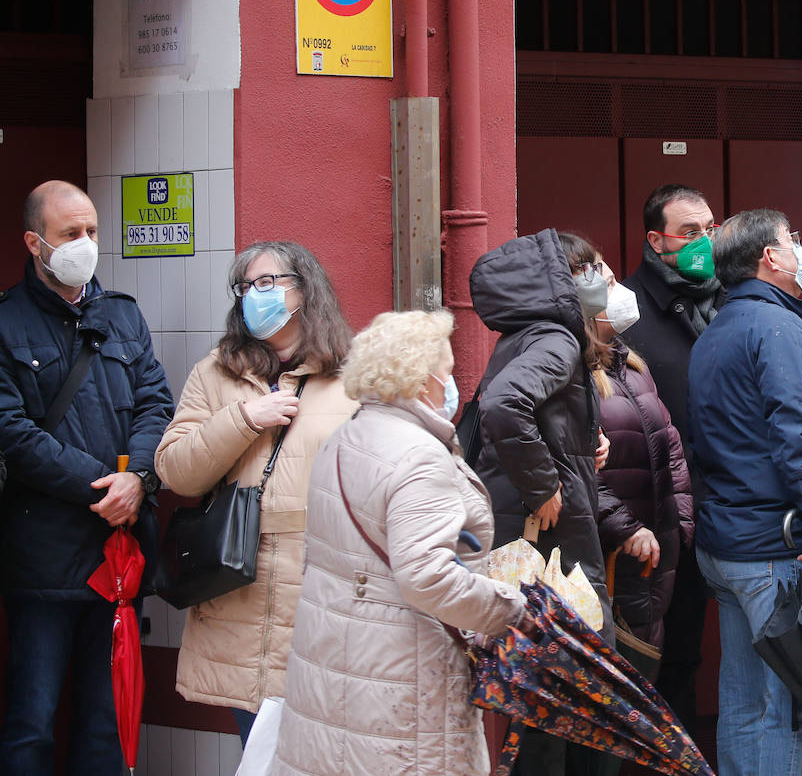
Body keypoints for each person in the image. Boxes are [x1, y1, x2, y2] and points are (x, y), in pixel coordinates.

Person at [270, 309, 527, 776]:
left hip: (341, 662)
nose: (452, 384)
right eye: (447, 373)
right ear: (422, 379)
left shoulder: (345, 438)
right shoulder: (419, 456)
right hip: (403, 676)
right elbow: (427, 577)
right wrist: (512, 608)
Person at [0, 180, 173, 773]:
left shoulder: (122, 315)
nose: (85, 244)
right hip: (43, 560)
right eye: (70, 234)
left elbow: (157, 404)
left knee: (106, 724)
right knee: (31, 723)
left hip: (118, 557)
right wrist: (105, 485)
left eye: (92, 232)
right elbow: (13, 434)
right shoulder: (5, 324)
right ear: (34, 243)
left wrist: (140, 480)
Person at [155, 241, 355, 744]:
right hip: (237, 590)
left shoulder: (354, 377)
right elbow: (176, 473)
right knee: (259, 750)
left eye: (267, 283)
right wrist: (243, 419)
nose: (253, 295)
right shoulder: (216, 371)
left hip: (320, 589)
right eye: (245, 286)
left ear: (303, 290)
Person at [687, 208, 802, 776]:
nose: (798, 250)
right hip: (774, 548)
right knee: (781, 708)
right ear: (770, 257)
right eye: (792, 240)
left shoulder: (720, 329)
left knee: (751, 702)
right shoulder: (778, 329)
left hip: (734, 544)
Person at [468, 228, 613, 775]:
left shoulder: (530, 334)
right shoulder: (557, 338)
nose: (603, 280)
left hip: (536, 532)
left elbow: (532, 415)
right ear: (569, 278)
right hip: (552, 540)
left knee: (547, 691)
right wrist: (545, 485)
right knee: (573, 691)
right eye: (594, 269)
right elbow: (505, 406)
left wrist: (581, 446)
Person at [619, 183, 724, 730]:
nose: (703, 242)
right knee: (665, 654)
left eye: (709, 229)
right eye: (689, 232)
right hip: (662, 516)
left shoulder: (733, 301)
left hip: (734, 508)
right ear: (656, 240)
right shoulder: (626, 312)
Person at [571, 238, 693, 678]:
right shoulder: (571, 371)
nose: (615, 284)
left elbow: (670, 443)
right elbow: (572, 464)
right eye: (603, 277)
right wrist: (626, 528)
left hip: (654, 556)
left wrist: (679, 518)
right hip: (612, 555)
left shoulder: (630, 364)